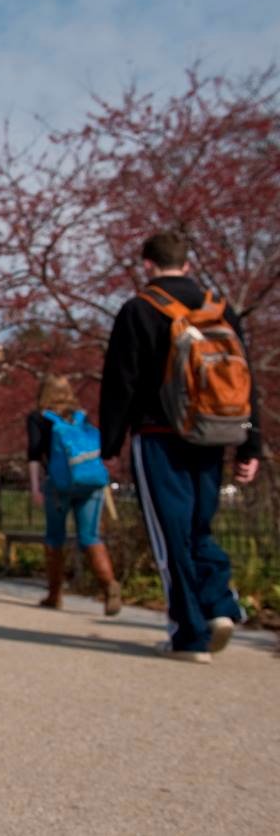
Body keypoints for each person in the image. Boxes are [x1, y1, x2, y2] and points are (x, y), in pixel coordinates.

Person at [100, 227, 261, 662]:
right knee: (199, 527)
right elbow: (245, 379)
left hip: (158, 436)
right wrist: (251, 446)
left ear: (147, 265)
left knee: (170, 535)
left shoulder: (139, 310)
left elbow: (121, 384)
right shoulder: (220, 308)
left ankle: (189, 634)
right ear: (188, 264)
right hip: (215, 432)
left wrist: (109, 445)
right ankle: (221, 606)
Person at [27, 375, 121, 615]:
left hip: (59, 486)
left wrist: (35, 487)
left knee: (54, 538)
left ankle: (54, 594)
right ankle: (110, 586)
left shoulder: (39, 418)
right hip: (90, 484)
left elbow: (35, 455)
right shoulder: (80, 416)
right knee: (90, 537)